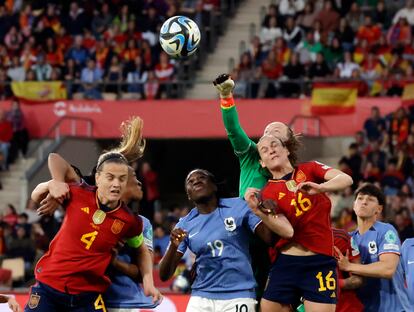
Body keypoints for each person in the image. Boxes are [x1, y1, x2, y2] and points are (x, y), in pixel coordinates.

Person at [27, 151, 161, 311]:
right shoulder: (77, 193)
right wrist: (53, 183)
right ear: (98, 178)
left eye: (122, 179)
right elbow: (53, 160)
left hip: (87, 296)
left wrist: (148, 283)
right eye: (110, 177)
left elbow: (142, 250)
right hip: (50, 287)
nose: (116, 184)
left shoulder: (130, 221)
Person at [213, 73, 300, 300]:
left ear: (287, 145)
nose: (269, 134)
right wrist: (226, 96)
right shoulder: (251, 157)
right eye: (266, 132)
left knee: (270, 296)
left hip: (277, 242)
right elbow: (234, 130)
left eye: (276, 133)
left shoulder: (299, 176)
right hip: (242, 237)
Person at [245, 134, 353, 312]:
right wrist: (258, 211)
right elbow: (287, 232)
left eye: (274, 145)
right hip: (286, 264)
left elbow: (346, 179)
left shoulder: (310, 169)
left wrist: (321, 187)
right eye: (264, 150)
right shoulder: (266, 194)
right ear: (262, 163)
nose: (271, 150)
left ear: (286, 150)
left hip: (320, 262)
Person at [159, 169, 294, 312]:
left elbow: (270, 239)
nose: (196, 180)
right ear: (189, 195)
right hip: (201, 297)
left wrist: (268, 213)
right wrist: (173, 247)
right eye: (190, 182)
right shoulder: (184, 224)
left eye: (202, 177)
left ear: (214, 186)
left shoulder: (239, 206)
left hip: (239, 294)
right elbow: (164, 275)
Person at [336, 183, 403, 312]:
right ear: (354, 205)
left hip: (390, 308)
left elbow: (388, 269)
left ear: (379, 209)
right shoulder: (348, 239)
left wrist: (349, 266)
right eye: (360, 198)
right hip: (362, 308)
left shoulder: (386, 231)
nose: (364, 202)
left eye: (370, 199)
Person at [332, 228, 364, 312]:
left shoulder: (341, 237)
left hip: (346, 308)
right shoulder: (295, 242)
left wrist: (333, 284)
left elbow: (358, 280)